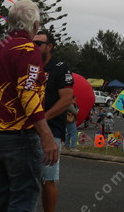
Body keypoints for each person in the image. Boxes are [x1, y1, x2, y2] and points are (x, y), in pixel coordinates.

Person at [0, 0, 59, 212]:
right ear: (34, 25)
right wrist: (47, 136)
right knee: (22, 200)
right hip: (19, 137)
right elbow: (28, 94)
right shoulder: (29, 49)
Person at [34, 29, 74, 212]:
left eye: (38, 43)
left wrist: (42, 119)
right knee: (23, 178)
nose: (33, 46)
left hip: (51, 131)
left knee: (47, 179)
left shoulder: (60, 67)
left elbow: (66, 100)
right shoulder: (29, 65)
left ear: (49, 46)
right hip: (25, 130)